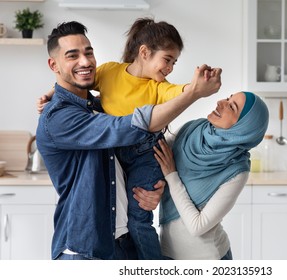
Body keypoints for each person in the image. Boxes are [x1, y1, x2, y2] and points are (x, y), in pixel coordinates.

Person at [36, 21, 222, 260]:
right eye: (72, 55)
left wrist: (152, 187)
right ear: (54, 65)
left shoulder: (96, 105)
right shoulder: (58, 117)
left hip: (123, 243)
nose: (85, 61)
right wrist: (195, 93)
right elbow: (123, 127)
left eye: (88, 52)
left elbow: (120, 163)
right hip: (85, 251)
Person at [148, 91, 269, 260]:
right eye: (228, 98)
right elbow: (155, 158)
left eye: (231, 106)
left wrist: (171, 176)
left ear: (242, 127)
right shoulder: (191, 130)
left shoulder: (237, 169)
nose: (220, 102)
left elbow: (197, 226)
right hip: (167, 253)